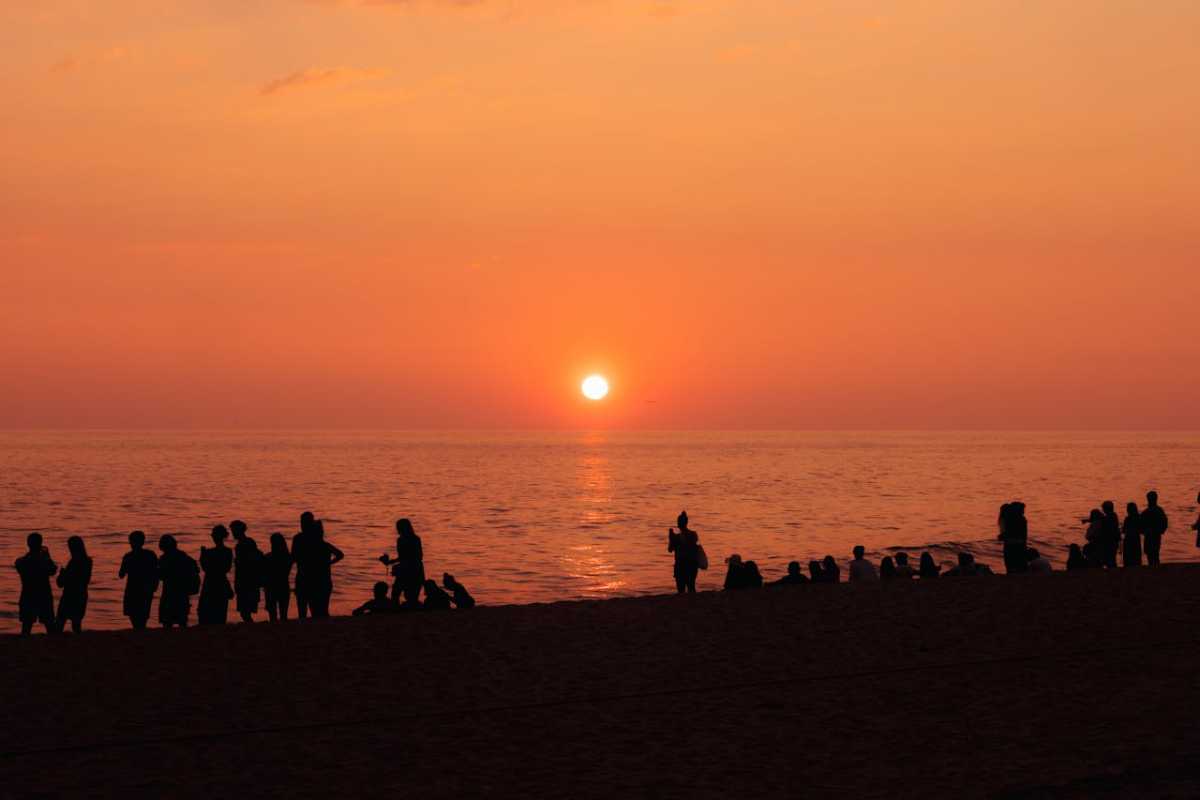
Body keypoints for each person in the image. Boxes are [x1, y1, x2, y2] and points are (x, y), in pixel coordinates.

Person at [14, 532, 57, 636]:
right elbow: (53, 570)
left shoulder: (21, 561)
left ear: (28, 544)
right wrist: (47, 556)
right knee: (49, 625)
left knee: (26, 626)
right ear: (40, 544)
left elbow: (20, 564)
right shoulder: (44, 560)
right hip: (44, 594)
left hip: (28, 595)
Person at [119, 530, 159, 630]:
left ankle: (138, 630)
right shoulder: (150, 555)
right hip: (146, 588)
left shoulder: (128, 556)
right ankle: (141, 630)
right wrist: (155, 585)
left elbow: (121, 574)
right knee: (143, 614)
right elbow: (156, 572)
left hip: (132, 588)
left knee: (133, 614)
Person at [304, 520, 344, 617]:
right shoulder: (326, 546)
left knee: (314, 609)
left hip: (313, 580)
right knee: (323, 608)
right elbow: (340, 555)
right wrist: (329, 563)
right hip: (325, 580)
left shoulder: (310, 547)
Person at [381, 518, 425, 607]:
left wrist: (395, 562)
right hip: (408, 569)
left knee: (408, 596)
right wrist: (390, 562)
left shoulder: (414, 539)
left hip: (414, 570)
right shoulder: (401, 540)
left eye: (398, 528)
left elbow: (418, 556)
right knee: (397, 593)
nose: (397, 530)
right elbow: (402, 557)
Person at [158, 534, 199, 628]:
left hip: (169, 591)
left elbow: (161, 576)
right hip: (181, 591)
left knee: (167, 620)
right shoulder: (183, 556)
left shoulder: (164, 559)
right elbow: (195, 568)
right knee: (182, 620)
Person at [55, 536, 92, 633]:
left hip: (69, 595)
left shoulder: (73, 562)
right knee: (76, 623)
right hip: (81, 595)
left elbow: (60, 583)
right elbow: (85, 580)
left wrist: (63, 574)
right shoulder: (88, 561)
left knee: (60, 621)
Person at [198, 525, 234, 625]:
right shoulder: (228, 552)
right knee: (220, 612)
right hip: (221, 583)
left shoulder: (210, 552)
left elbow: (205, 568)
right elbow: (226, 569)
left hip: (210, 583)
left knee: (205, 612)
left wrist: (203, 556)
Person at [230, 520, 263, 623]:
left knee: (245, 611)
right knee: (246, 610)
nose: (233, 533)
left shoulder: (242, 545)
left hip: (246, 580)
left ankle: (250, 625)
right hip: (249, 580)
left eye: (233, 531)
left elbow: (244, 565)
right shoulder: (248, 542)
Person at [667, 512, 707, 594]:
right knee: (691, 587)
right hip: (692, 565)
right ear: (686, 523)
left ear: (678, 523)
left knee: (681, 590)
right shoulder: (693, 534)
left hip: (680, 566)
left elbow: (670, 549)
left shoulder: (677, 537)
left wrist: (671, 537)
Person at [263, 532, 294, 622]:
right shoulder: (288, 557)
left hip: (271, 586)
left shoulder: (268, 557)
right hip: (283, 584)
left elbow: (264, 572)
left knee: (273, 615)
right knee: (283, 614)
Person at [999, 502, 1029, 574]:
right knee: (1020, 564)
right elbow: (1024, 534)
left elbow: (1007, 533)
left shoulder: (1008, 519)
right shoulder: (1022, 519)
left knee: (1010, 563)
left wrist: (1003, 536)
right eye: (1022, 509)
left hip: (1010, 543)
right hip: (1019, 543)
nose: (1023, 511)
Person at [1141, 491, 1169, 567]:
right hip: (1156, 535)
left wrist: (1143, 531)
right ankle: (1156, 568)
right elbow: (1165, 522)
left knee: (1150, 554)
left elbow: (1141, 525)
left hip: (1149, 535)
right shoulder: (1159, 510)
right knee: (1155, 553)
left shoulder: (1146, 512)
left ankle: (1152, 568)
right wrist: (1161, 531)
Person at [1100, 501, 1121, 569]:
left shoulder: (1109, 517)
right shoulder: (1113, 515)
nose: (1103, 510)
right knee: (1111, 557)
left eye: (1103, 508)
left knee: (1110, 558)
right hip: (1113, 540)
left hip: (1110, 541)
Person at [1122, 502, 1143, 568]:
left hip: (1128, 540)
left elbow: (1124, 530)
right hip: (1136, 539)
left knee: (1128, 559)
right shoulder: (1139, 518)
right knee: (1136, 558)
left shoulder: (1128, 519)